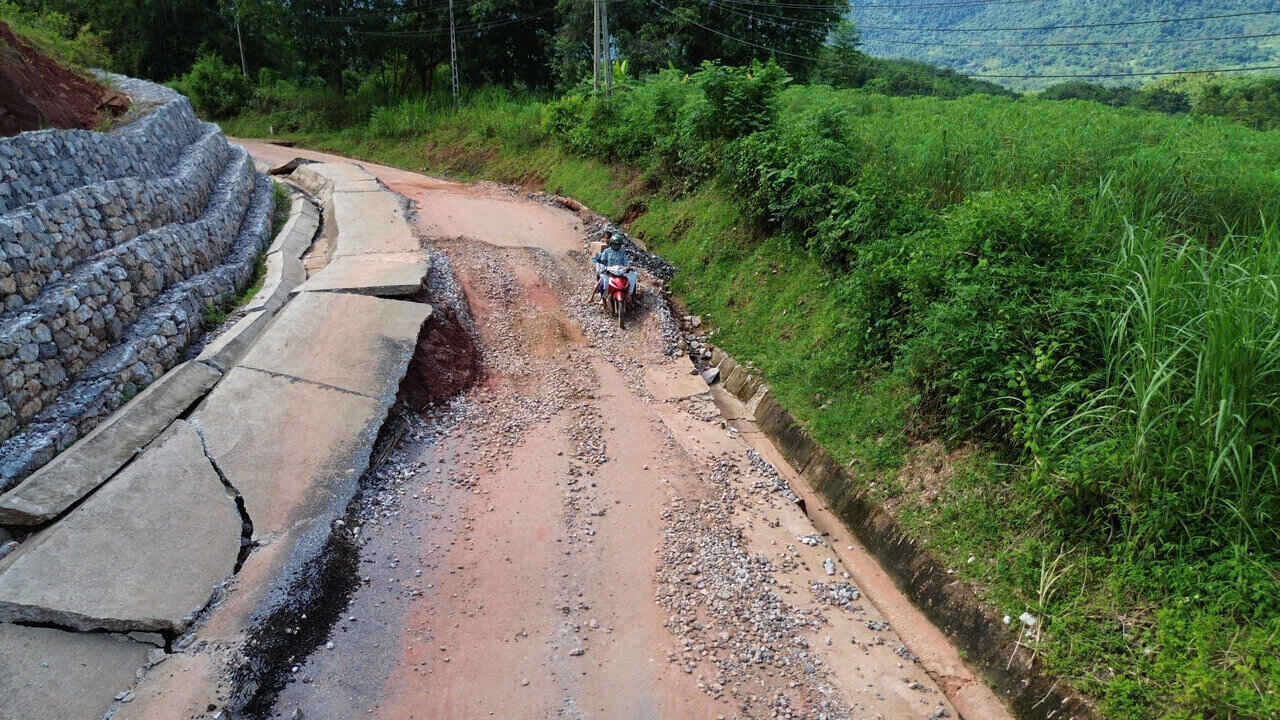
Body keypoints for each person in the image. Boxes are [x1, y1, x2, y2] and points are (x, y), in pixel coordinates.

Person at [592, 232, 638, 298]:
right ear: (611, 244)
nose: (617, 246)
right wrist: (599, 261)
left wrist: (628, 267)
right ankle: (603, 296)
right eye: (615, 244)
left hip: (621, 271)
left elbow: (626, 261)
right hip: (610, 271)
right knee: (603, 282)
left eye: (618, 244)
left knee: (633, 276)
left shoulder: (622, 252)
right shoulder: (607, 251)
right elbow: (601, 259)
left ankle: (630, 295)